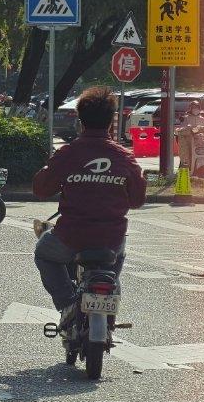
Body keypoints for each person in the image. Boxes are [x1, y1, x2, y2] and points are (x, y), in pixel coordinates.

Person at [31, 86, 147, 327]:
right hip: (111, 239)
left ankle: (67, 305)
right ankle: (109, 307)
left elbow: (41, 189)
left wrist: (48, 171)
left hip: (70, 237)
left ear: (80, 121)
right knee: (113, 271)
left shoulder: (69, 154)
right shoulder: (125, 158)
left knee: (43, 252)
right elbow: (137, 200)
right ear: (111, 121)